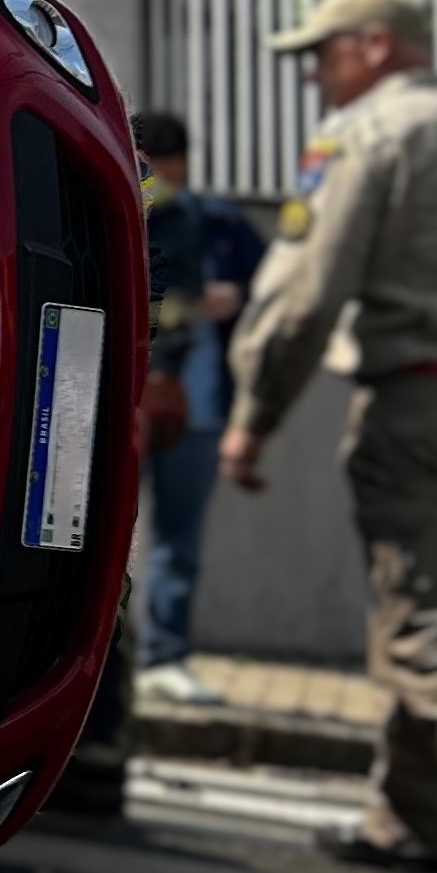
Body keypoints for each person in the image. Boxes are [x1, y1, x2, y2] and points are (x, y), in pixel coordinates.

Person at [221, 0, 437, 873]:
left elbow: (306, 294)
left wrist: (255, 412)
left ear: (377, 45)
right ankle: (407, 818)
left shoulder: (367, 136)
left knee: (430, 626)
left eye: (325, 51)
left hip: (417, 398)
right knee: (425, 603)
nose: (313, 73)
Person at [133, 109, 267, 707]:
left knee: (176, 540)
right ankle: (112, 660)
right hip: (133, 402)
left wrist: (234, 300)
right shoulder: (139, 208)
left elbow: (272, 290)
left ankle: (162, 655)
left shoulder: (210, 221)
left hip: (199, 403)